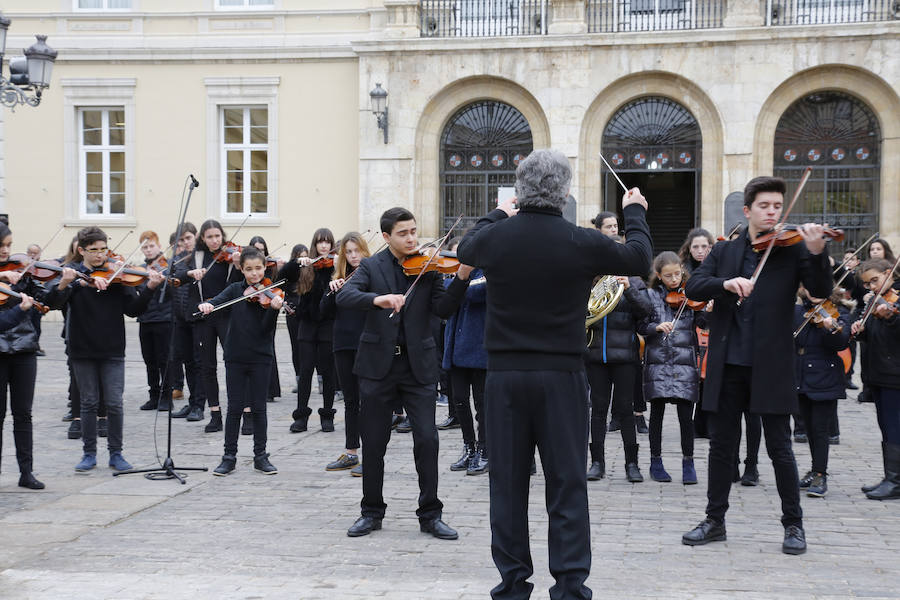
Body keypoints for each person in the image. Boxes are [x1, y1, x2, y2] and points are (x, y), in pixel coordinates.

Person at [457, 149, 652, 599]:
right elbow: (639, 259)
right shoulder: (579, 240)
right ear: (564, 193)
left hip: (504, 378)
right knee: (567, 484)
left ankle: (512, 586)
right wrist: (635, 211)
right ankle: (569, 587)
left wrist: (498, 212)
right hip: (561, 376)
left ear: (520, 191)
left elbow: (467, 246)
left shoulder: (497, 237)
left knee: (506, 486)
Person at [681, 176, 832, 555]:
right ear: (747, 211)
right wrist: (726, 284)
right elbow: (694, 286)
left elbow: (821, 291)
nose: (772, 213)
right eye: (764, 206)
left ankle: (793, 525)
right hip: (729, 363)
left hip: (771, 364)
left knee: (780, 447)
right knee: (721, 447)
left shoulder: (793, 249)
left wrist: (815, 253)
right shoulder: (725, 251)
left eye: (777, 207)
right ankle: (715, 520)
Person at [337, 207, 473, 540]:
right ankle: (371, 511)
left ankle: (430, 514)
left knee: (427, 439)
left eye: (414, 231)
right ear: (386, 237)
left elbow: (442, 309)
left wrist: (461, 279)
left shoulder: (428, 268)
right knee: (374, 443)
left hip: (418, 367)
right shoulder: (371, 266)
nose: (412, 238)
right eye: (403, 233)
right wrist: (377, 300)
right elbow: (345, 296)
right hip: (377, 367)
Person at [47, 226, 165, 473]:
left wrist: (150, 288)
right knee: (88, 403)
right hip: (81, 348)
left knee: (114, 403)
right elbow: (53, 303)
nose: (101, 255)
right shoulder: (75, 277)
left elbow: (133, 309)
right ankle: (89, 453)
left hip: (112, 348)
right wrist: (65, 284)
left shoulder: (117, 276)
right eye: (94, 251)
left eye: (104, 250)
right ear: (81, 251)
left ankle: (116, 454)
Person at [198, 246, 283, 476]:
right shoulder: (235, 289)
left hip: (261, 357)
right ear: (241, 269)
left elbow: (266, 330)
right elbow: (216, 301)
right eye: (249, 269)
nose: (254, 274)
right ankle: (229, 457)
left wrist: (273, 310)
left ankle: (260, 456)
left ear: (265, 267)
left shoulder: (270, 294)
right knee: (234, 408)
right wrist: (207, 305)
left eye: (258, 269)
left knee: (259, 408)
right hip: (235, 357)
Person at [172, 219, 242, 432]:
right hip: (203, 317)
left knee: (233, 364)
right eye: (210, 237)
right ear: (203, 238)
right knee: (207, 367)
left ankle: (241, 413)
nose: (214, 240)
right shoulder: (197, 256)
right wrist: (190, 274)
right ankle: (215, 414)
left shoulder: (232, 256)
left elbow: (242, 283)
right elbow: (176, 276)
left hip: (226, 315)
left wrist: (239, 264)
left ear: (222, 236)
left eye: (217, 236)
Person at [639, 251, 702, 484]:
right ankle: (656, 463)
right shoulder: (650, 296)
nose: (674, 279)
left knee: (686, 416)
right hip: (658, 360)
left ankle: (689, 463)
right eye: (668, 276)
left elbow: (703, 322)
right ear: (658, 275)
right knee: (656, 415)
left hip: (684, 361)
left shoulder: (691, 296)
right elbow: (642, 325)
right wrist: (656, 327)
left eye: (677, 274)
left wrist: (708, 310)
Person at [584, 268, 651, 482]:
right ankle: (597, 463)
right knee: (598, 410)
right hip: (596, 356)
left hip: (624, 357)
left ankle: (632, 464)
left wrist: (629, 290)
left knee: (625, 410)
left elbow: (646, 311)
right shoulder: (590, 282)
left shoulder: (633, 282)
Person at [0, 224, 48, 489]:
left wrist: (62, 284)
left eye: (9, 244)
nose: (6, 251)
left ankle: (26, 472)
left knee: (23, 414)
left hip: (24, 350)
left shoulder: (22, 272)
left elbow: (46, 301)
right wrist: (20, 309)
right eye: (1, 246)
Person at [320, 232, 371, 475]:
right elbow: (324, 312)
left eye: (357, 251)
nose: (353, 256)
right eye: (348, 252)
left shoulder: (373, 276)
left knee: (368, 402)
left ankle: (370, 456)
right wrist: (332, 291)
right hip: (342, 343)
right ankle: (351, 452)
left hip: (366, 344)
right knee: (351, 401)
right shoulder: (338, 279)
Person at [794, 284, 851, 498]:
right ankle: (814, 467)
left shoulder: (839, 312)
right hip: (801, 377)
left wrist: (830, 328)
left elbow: (841, 342)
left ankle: (820, 473)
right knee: (808, 427)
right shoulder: (798, 312)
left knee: (820, 430)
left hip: (825, 378)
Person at [852, 258, 900, 500]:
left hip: (895, 374)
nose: (871, 287)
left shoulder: (896, 300)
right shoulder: (874, 302)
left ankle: (895, 481)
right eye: (867, 284)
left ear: (889, 273)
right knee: (885, 426)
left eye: (875, 280)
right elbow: (874, 335)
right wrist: (861, 330)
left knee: (894, 428)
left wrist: (890, 317)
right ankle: (889, 476)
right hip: (878, 373)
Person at [282, 228, 338, 433]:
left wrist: (339, 265)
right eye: (320, 242)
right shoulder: (306, 266)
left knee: (327, 372)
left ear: (332, 245)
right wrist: (298, 262)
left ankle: (327, 415)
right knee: (305, 372)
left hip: (327, 324)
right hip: (306, 324)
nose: (324, 246)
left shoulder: (335, 266)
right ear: (314, 244)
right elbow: (282, 275)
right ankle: (301, 416)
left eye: (327, 242)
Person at [442, 256, 488, 476]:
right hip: (456, 346)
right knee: (459, 400)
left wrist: (459, 280)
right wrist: (458, 280)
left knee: (482, 404)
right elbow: (445, 293)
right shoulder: (460, 271)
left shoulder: (488, 271)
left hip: (479, 347)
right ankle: (469, 446)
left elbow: (474, 293)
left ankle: (484, 450)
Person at [136, 231, 176, 412]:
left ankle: (167, 397)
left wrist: (163, 280)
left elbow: (172, 292)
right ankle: (153, 395)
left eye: (151, 246)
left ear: (159, 246)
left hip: (164, 319)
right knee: (149, 360)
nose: (149, 250)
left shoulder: (169, 266)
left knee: (164, 360)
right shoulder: (140, 270)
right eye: (145, 247)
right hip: (145, 319)